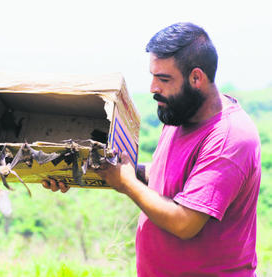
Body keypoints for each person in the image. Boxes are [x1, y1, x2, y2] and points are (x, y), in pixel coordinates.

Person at [42, 22, 261, 276]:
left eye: (164, 79)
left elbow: (184, 222)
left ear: (196, 78)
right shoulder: (180, 112)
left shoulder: (229, 137)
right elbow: (165, 177)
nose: (153, 88)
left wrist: (126, 183)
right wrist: (87, 171)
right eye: (153, 76)